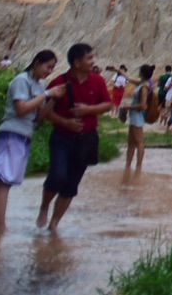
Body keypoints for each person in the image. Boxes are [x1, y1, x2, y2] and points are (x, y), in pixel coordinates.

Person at [35, 42, 113, 233]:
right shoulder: (58, 83)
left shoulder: (98, 81)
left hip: (86, 139)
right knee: (57, 176)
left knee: (71, 184)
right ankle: (44, 206)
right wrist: (65, 122)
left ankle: (54, 224)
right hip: (62, 137)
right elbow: (45, 112)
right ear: (76, 62)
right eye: (89, 58)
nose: (92, 61)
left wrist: (88, 110)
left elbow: (107, 105)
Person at [0, 48, 57, 233]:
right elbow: (22, 109)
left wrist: (53, 98)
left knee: (0, 182)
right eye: (48, 67)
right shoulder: (21, 81)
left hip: (22, 135)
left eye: (52, 69)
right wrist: (47, 95)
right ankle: (0, 227)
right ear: (37, 63)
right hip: (11, 133)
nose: (49, 71)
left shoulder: (39, 85)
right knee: (4, 182)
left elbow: (38, 116)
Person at [122, 64, 156, 173]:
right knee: (131, 142)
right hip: (134, 115)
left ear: (141, 73)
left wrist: (128, 107)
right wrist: (118, 70)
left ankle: (138, 167)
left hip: (137, 116)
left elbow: (142, 105)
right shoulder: (141, 83)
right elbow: (129, 78)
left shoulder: (144, 87)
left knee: (139, 142)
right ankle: (128, 166)